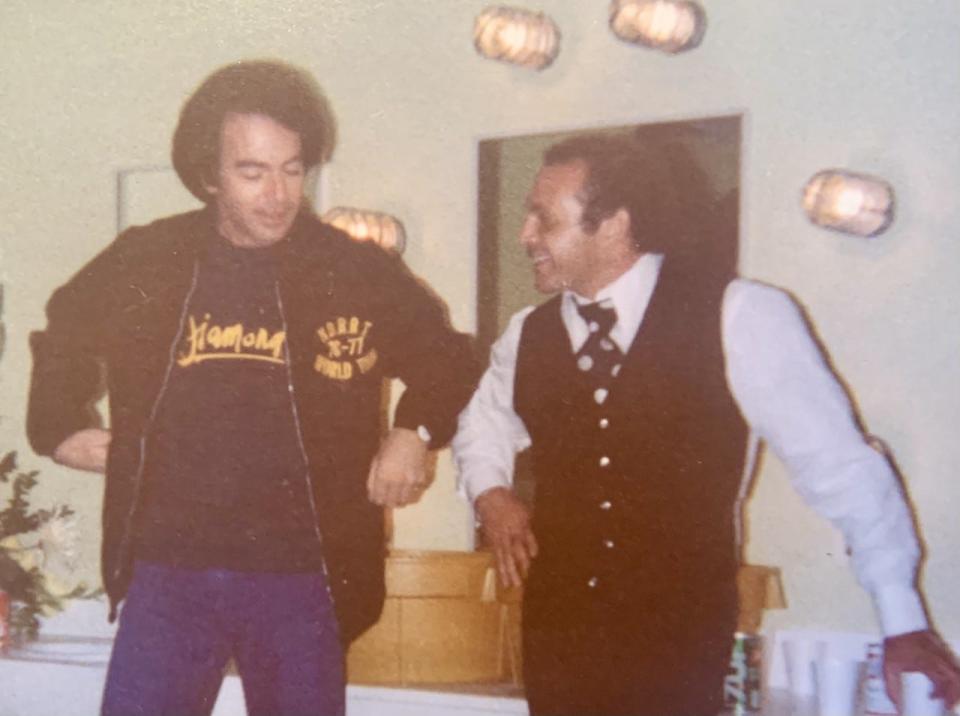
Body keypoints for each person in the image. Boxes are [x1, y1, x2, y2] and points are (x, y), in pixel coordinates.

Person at [27, 59, 478, 716]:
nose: (278, 194)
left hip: (302, 574)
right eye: (253, 172)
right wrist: (60, 426)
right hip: (169, 567)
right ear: (209, 176)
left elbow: (449, 356)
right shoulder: (149, 257)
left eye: (293, 170)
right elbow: (65, 325)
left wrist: (416, 430)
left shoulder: (350, 269)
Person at [453, 132, 960, 715]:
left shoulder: (740, 314)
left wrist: (902, 620)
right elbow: (481, 424)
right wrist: (491, 492)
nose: (527, 237)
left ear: (615, 225)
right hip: (557, 641)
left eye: (543, 219)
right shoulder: (527, 334)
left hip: (680, 641)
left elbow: (841, 466)